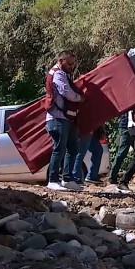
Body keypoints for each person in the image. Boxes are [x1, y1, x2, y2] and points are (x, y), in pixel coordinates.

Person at [45, 51, 84, 192]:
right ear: (61, 61)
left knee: (73, 148)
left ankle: (67, 179)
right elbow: (66, 92)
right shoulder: (57, 74)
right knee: (59, 149)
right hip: (57, 118)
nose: (72, 66)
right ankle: (53, 180)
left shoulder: (64, 74)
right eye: (69, 63)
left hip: (67, 118)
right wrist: (79, 98)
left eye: (73, 63)